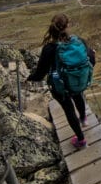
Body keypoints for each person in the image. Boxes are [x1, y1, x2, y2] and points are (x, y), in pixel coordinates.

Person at [27, 13, 96, 148]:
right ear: (67, 26)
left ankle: (81, 140)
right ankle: (83, 118)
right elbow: (91, 61)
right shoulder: (78, 41)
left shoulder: (49, 49)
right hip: (77, 82)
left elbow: (40, 74)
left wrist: (29, 77)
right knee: (78, 95)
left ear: (52, 28)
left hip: (60, 87)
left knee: (68, 109)